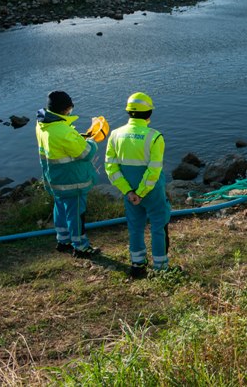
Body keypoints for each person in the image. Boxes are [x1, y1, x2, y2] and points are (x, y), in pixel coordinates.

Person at [105, 92, 172, 278]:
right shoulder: (155, 137)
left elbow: (110, 168)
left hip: (129, 193)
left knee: (135, 227)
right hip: (152, 192)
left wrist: (128, 191)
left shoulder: (115, 135)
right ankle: (161, 268)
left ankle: (137, 265)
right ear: (149, 113)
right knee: (158, 226)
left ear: (128, 112)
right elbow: (154, 170)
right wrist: (142, 192)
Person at [36, 91, 100, 258]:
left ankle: (63, 240)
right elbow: (86, 153)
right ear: (65, 109)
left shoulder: (42, 125)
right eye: (70, 107)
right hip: (72, 182)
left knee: (60, 208)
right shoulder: (63, 131)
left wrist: (77, 138)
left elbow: (61, 145)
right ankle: (81, 247)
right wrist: (92, 141)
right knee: (76, 214)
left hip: (54, 180)